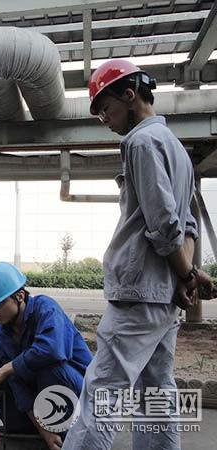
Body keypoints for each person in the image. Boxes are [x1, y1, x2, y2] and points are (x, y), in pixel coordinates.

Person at [61, 59, 214, 450]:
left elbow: (163, 225)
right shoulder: (177, 150)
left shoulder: (141, 142)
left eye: (106, 109)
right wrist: (186, 273)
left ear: (129, 95)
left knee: (102, 395)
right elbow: (188, 225)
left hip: (138, 293)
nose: (104, 119)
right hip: (163, 299)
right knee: (156, 391)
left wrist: (185, 274)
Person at [0, 262, 92, 450]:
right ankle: (24, 430)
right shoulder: (2, 334)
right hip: (44, 398)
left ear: (20, 296)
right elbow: (17, 386)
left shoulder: (45, 308)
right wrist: (43, 430)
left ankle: (66, 435)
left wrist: (7, 368)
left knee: (49, 366)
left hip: (80, 392)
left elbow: (52, 350)